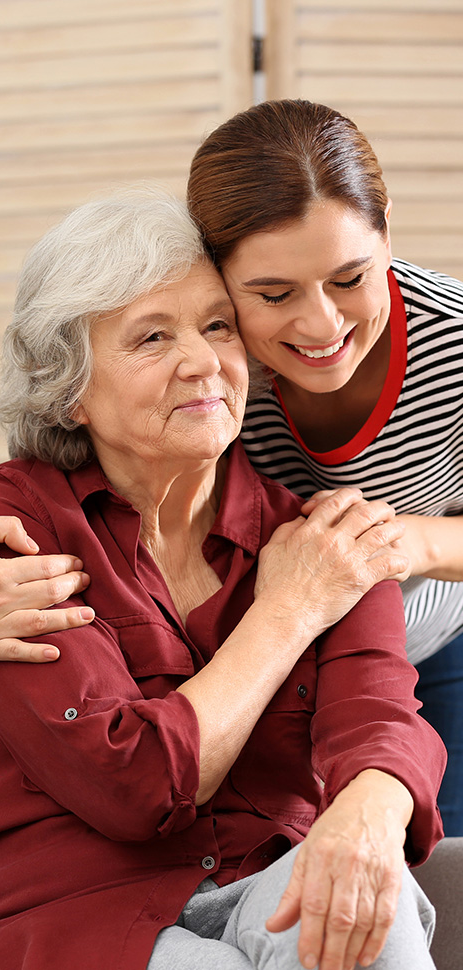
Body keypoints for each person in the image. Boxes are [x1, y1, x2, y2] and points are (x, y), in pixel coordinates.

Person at [0, 186, 445, 970]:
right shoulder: (11, 531)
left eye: (218, 325)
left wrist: (369, 810)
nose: (203, 362)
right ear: (69, 392)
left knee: (371, 901)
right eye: (152, 337)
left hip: (272, 872)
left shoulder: (324, 534)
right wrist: (289, 611)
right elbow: (131, 785)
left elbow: (379, 718)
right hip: (81, 910)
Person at [185, 98, 463, 836]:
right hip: (255, 664)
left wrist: (409, 544)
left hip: (431, 647)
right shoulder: (199, 361)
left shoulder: (457, 344)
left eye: (350, 278)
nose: (322, 326)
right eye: (274, 295)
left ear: (387, 230)